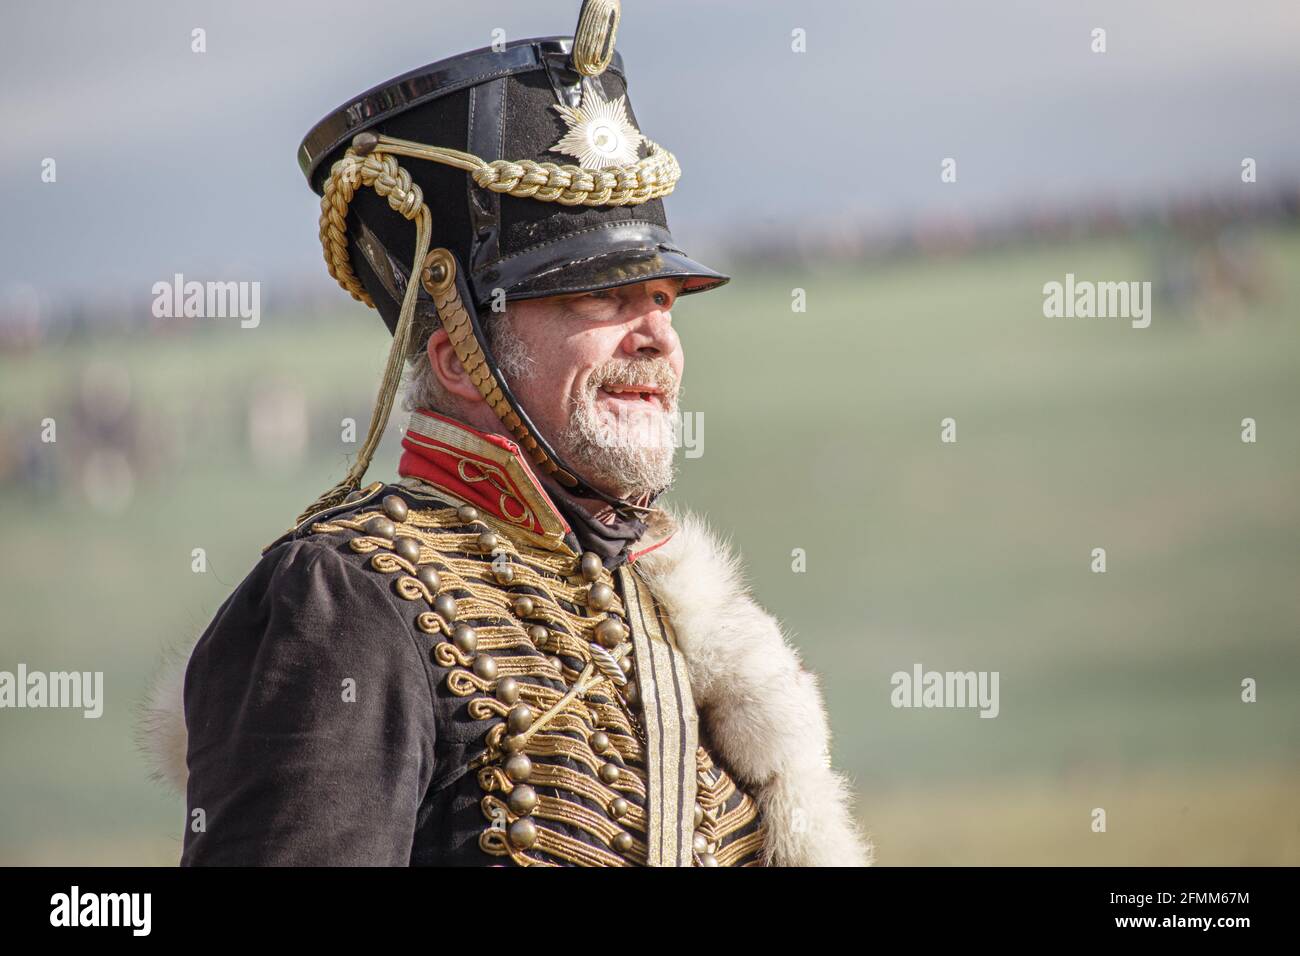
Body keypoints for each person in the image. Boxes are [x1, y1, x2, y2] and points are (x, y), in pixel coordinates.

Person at [144, 0, 871, 867]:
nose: (657, 339)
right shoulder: (341, 601)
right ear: (457, 361)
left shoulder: (668, 609)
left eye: (662, 300)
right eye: (600, 298)